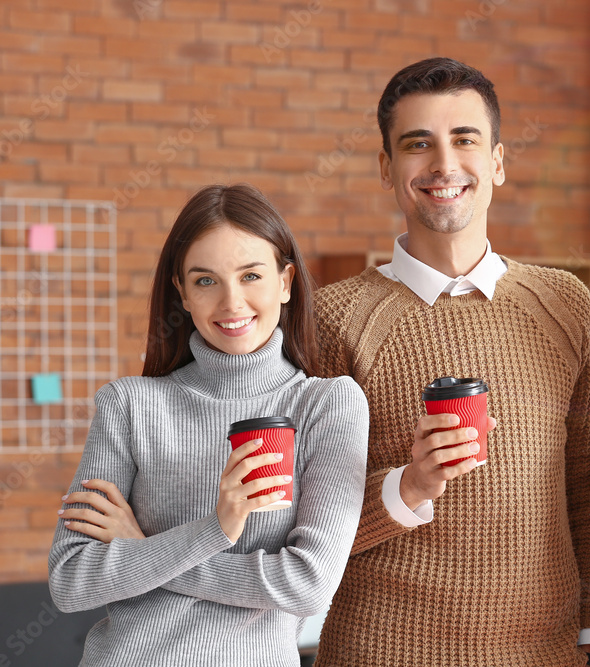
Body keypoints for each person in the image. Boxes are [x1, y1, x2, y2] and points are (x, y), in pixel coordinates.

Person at [313, 57, 590, 666]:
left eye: (464, 140)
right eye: (417, 144)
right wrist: (411, 485)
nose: (444, 165)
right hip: (376, 654)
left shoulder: (564, 304)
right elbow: (306, 515)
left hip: (546, 657)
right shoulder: (332, 318)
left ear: (498, 162)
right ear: (387, 168)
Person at [47, 184, 369, 667]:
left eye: (251, 275)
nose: (231, 302)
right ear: (181, 291)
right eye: (205, 281)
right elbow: (71, 582)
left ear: (286, 282)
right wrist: (213, 531)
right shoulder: (130, 405)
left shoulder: (327, 406)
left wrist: (144, 551)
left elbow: (307, 586)